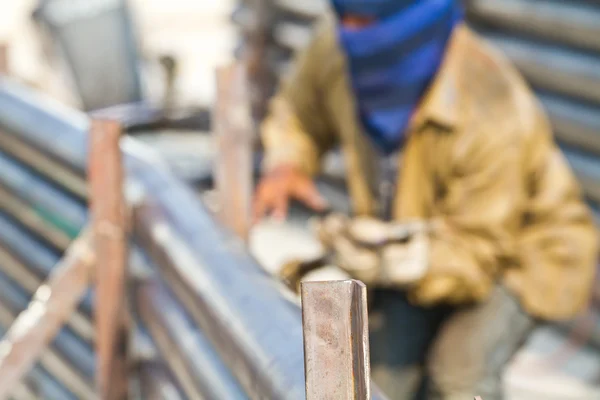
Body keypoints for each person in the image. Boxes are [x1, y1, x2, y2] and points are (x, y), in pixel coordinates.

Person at [253, 0, 598, 398]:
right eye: (345, 19)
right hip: (416, 241)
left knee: (458, 374)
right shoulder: (335, 45)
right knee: (382, 376)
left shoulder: (491, 105)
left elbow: (477, 254)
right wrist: (287, 162)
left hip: (520, 255)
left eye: (365, 23)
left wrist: (390, 260)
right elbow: (298, 111)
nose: (352, 33)